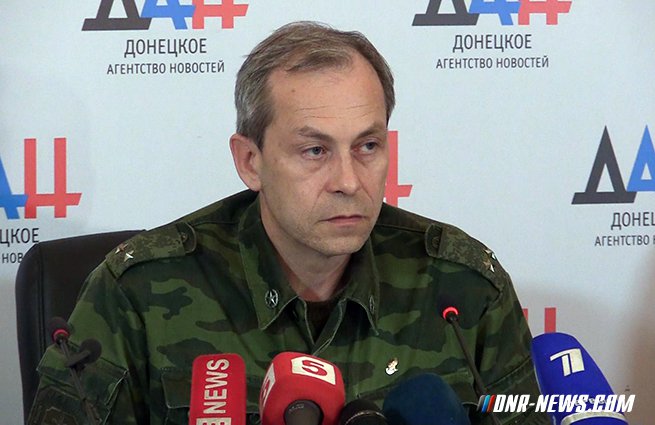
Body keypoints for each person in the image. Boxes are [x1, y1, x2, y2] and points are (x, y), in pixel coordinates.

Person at [28, 21, 548, 424]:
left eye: (367, 146)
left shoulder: (463, 289)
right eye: (315, 150)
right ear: (250, 161)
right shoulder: (137, 295)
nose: (349, 180)